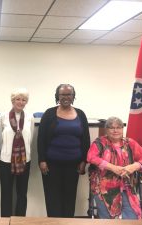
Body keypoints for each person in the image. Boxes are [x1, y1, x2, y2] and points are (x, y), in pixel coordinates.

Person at [37, 84, 90, 218]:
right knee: (52, 197)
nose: (66, 97)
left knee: (69, 196)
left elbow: (85, 139)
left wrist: (84, 160)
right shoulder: (49, 113)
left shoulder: (81, 114)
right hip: (51, 164)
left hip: (74, 165)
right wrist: (42, 160)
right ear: (57, 96)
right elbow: (41, 139)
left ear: (73, 96)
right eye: (63, 95)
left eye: (69, 94)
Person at [87, 116, 142, 219]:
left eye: (118, 127)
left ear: (122, 129)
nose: (115, 130)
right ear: (106, 130)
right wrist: (113, 168)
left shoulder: (129, 143)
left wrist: (134, 166)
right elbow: (91, 157)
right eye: (111, 127)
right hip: (103, 188)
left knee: (132, 216)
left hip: (126, 186)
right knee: (108, 219)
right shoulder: (100, 142)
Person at [0, 88, 34, 217]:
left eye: (24, 99)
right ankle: (5, 219)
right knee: (6, 192)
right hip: (6, 160)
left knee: (22, 193)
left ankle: (20, 220)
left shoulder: (30, 117)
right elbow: (0, 139)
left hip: (24, 160)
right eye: (18, 99)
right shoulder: (3, 116)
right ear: (13, 100)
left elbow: (31, 139)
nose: (21, 102)